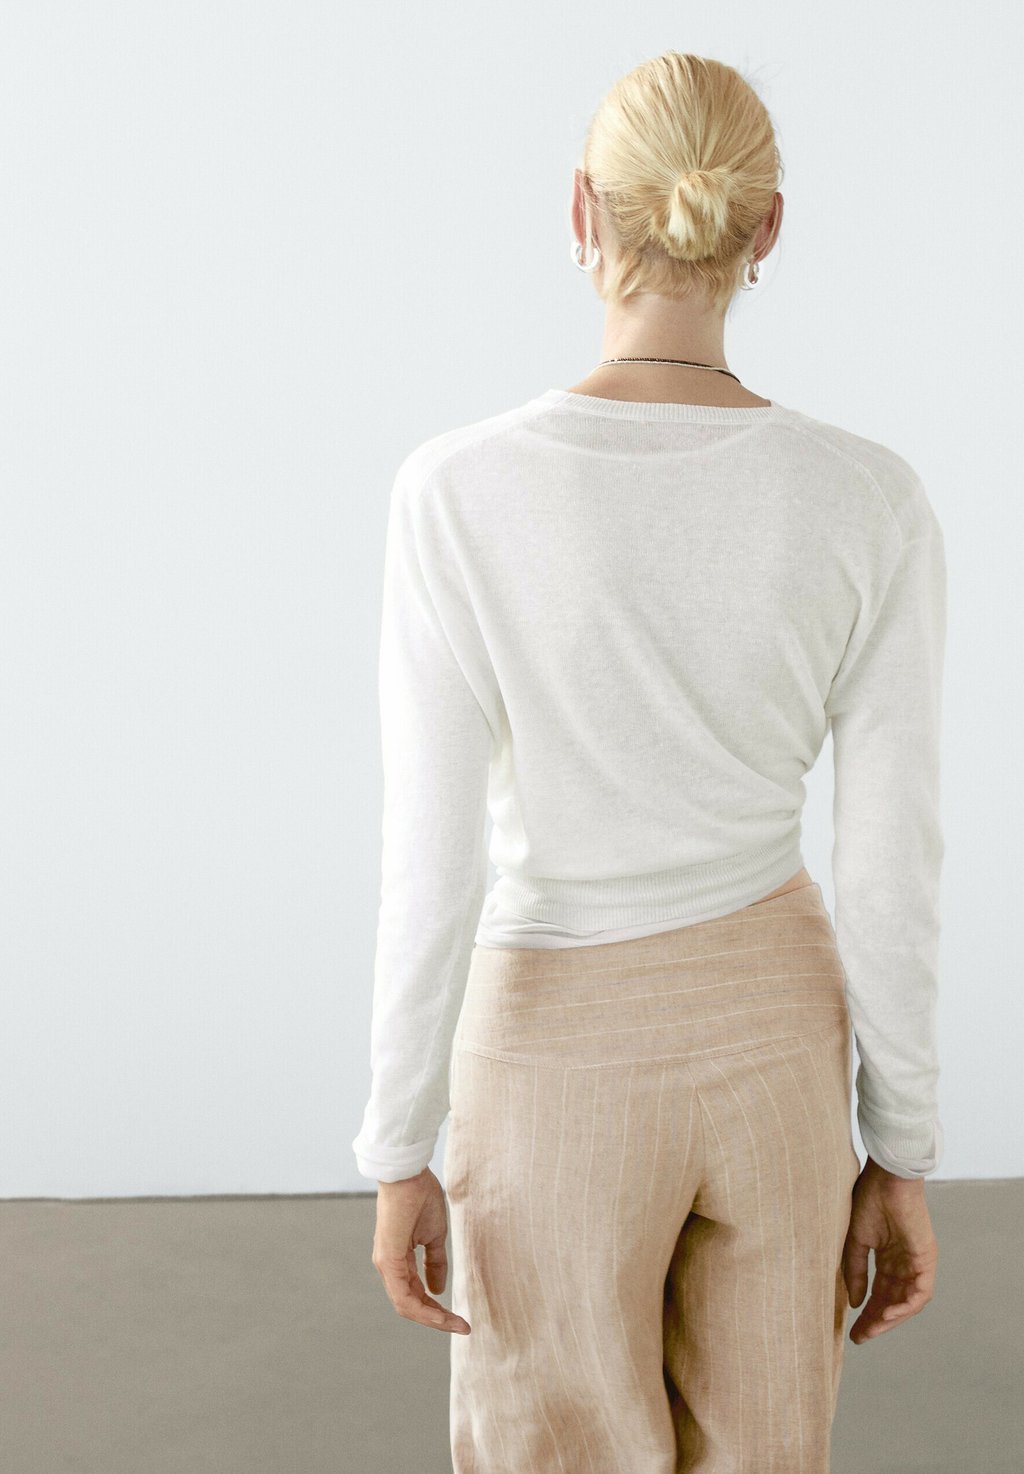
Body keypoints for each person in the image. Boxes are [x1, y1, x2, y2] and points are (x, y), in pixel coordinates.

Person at [354, 49, 946, 1474]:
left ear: (581, 209)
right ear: (767, 225)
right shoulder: (870, 498)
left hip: (552, 1051)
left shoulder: (458, 491)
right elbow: (891, 859)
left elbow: (430, 859)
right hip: (776, 1042)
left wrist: (397, 1141)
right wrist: (903, 1145)